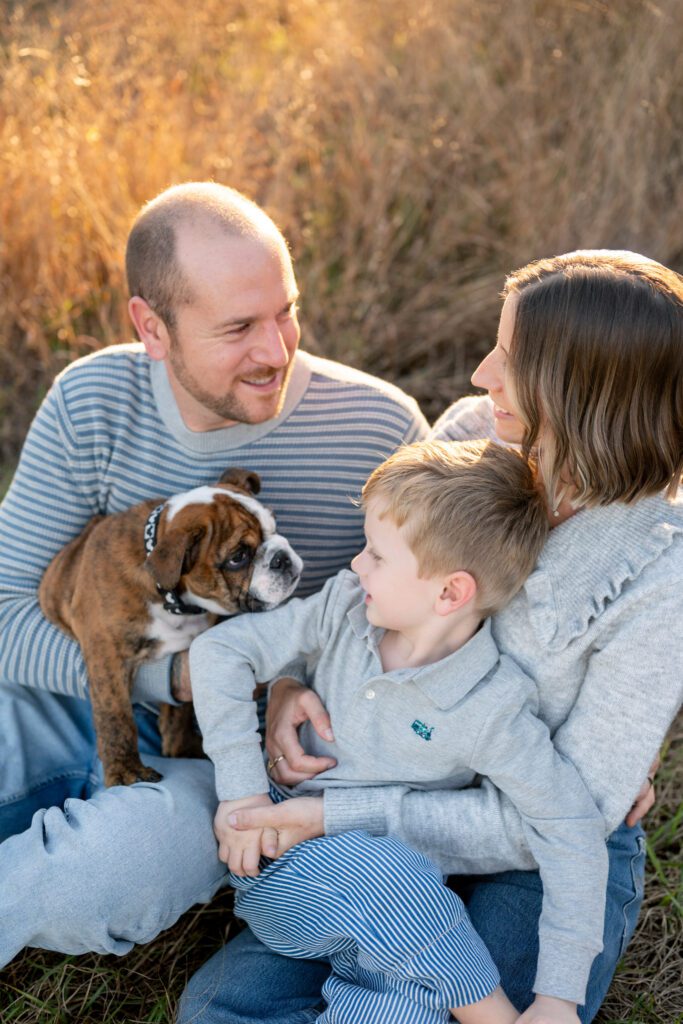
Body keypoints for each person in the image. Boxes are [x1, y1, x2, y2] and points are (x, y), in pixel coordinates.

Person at [182, 250, 683, 1024]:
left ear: (579, 388)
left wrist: (331, 818)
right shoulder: (470, 439)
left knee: (450, 1010)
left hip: (537, 848)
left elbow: (560, 817)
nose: (482, 374)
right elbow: (365, 601)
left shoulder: (659, 569)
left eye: (511, 361)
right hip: (382, 782)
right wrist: (288, 683)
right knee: (223, 1009)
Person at [0, 181, 429, 967]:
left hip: (232, 757)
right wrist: (175, 680)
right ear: (151, 327)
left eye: (285, 311)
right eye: (237, 328)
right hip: (71, 696)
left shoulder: (380, 428)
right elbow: (3, 613)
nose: (276, 350)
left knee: (112, 865)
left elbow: (435, 630)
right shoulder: (92, 400)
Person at [186, 438, 609, 1024]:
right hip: (278, 860)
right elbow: (218, 653)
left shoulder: (492, 707)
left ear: (450, 592)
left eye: (376, 555)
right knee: (393, 873)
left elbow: (570, 827)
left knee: (407, 1005)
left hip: (402, 923)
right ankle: (495, 1019)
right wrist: (242, 791)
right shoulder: (344, 607)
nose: (356, 563)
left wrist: (559, 995)